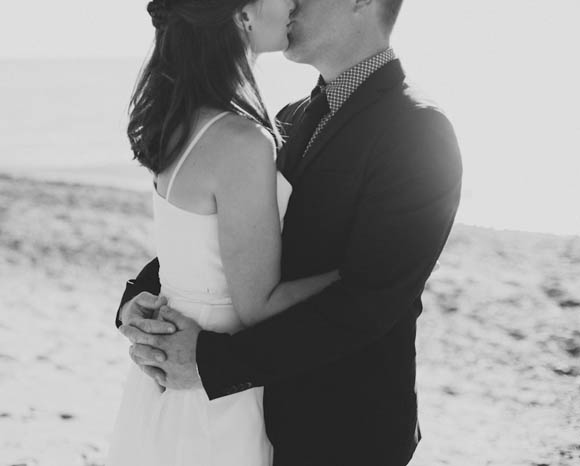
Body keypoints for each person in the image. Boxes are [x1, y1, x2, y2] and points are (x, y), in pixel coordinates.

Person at [118, 0, 463, 464]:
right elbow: (228, 243)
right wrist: (137, 302)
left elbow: (371, 301)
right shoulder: (289, 117)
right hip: (262, 417)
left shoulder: (418, 128)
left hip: (344, 428)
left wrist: (208, 364)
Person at [105, 0, 346, 464]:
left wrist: (133, 303)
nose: (293, 2)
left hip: (171, 369)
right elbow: (259, 305)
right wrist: (358, 273)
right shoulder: (240, 141)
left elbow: (191, 252)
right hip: (214, 382)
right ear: (243, 14)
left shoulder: (180, 122)